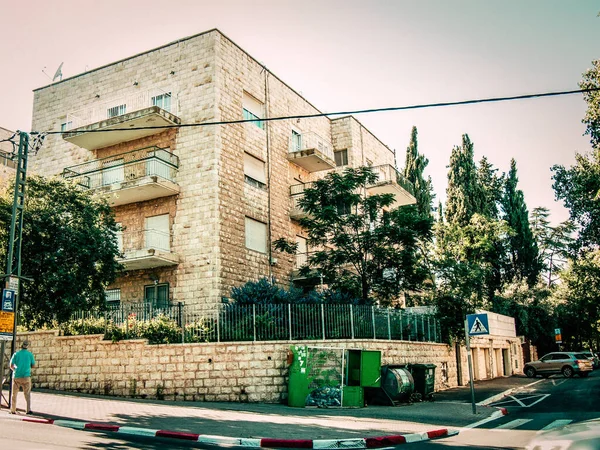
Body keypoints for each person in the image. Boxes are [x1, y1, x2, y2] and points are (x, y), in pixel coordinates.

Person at [9, 340, 36, 415]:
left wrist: (15, 369)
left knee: (14, 394)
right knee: (27, 394)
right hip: (26, 376)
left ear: (21, 346)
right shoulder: (30, 354)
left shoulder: (16, 354)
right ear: (27, 347)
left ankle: (13, 410)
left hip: (16, 376)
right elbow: (33, 365)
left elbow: (11, 365)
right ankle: (28, 410)